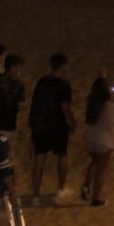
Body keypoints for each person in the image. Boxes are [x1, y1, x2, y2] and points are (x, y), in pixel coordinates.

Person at [30, 53, 77, 198]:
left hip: (41, 123)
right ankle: (61, 188)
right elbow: (65, 107)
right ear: (63, 66)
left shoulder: (42, 81)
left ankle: (36, 193)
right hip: (57, 124)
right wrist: (72, 122)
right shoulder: (64, 84)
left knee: (39, 156)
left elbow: (35, 102)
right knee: (62, 155)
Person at [81, 77, 114, 206]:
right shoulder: (110, 107)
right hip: (104, 141)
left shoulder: (90, 103)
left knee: (94, 163)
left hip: (90, 138)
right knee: (101, 170)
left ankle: (86, 185)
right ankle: (96, 197)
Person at [0, 54, 26, 141]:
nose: (21, 69)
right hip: (7, 123)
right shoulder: (18, 85)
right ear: (12, 67)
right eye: (20, 66)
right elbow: (20, 107)